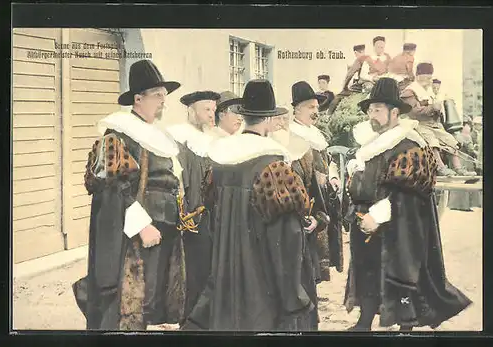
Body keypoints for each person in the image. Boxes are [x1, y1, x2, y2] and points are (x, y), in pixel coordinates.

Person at [183, 79, 319, 331]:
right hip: (262, 277)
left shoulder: (220, 161)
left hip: (225, 271)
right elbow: (286, 237)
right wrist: (293, 291)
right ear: (268, 120)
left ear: (244, 116)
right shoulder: (273, 164)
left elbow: (211, 217)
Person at [343, 77, 472, 331]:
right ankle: (365, 320)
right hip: (366, 221)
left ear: (394, 112)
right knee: (367, 269)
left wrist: (378, 215)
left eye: (377, 109)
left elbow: (409, 192)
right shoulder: (370, 145)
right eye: (370, 109)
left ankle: (406, 326)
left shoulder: (409, 145)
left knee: (400, 274)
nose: (372, 115)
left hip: (398, 224)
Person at [72, 59, 187, 330]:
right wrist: (142, 225)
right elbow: (114, 187)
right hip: (135, 236)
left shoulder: (156, 134)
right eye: (158, 96)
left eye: (164, 96)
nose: (163, 102)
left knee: (153, 305)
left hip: (164, 232)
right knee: (128, 307)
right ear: (138, 98)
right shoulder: (118, 134)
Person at [166, 90, 221, 323]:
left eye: (214, 110)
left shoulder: (211, 138)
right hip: (191, 217)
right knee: (193, 274)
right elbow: (179, 181)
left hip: (210, 215)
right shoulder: (180, 138)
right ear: (191, 110)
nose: (212, 114)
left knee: (209, 271)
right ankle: (189, 324)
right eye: (206, 109)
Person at [289, 81, 344, 290]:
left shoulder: (316, 133)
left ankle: (315, 279)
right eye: (310, 108)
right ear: (297, 109)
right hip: (308, 190)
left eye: (316, 107)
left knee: (323, 235)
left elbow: (327, 161)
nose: (316, 112)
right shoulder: (293, 135)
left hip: (323, 190)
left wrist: (334, 177)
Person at [400, 63, 475, 176]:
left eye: (430, 77)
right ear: (419, 76)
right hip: (418, 123)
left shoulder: (428, 91)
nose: (430, 80)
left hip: (433, 123)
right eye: (428, 77)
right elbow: (413, 112)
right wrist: (432, 107)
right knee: (432, 141)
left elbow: (435, 108)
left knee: (449, 140)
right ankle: (440, 167)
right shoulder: (410, 91)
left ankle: (458, 168)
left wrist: (440, 109)